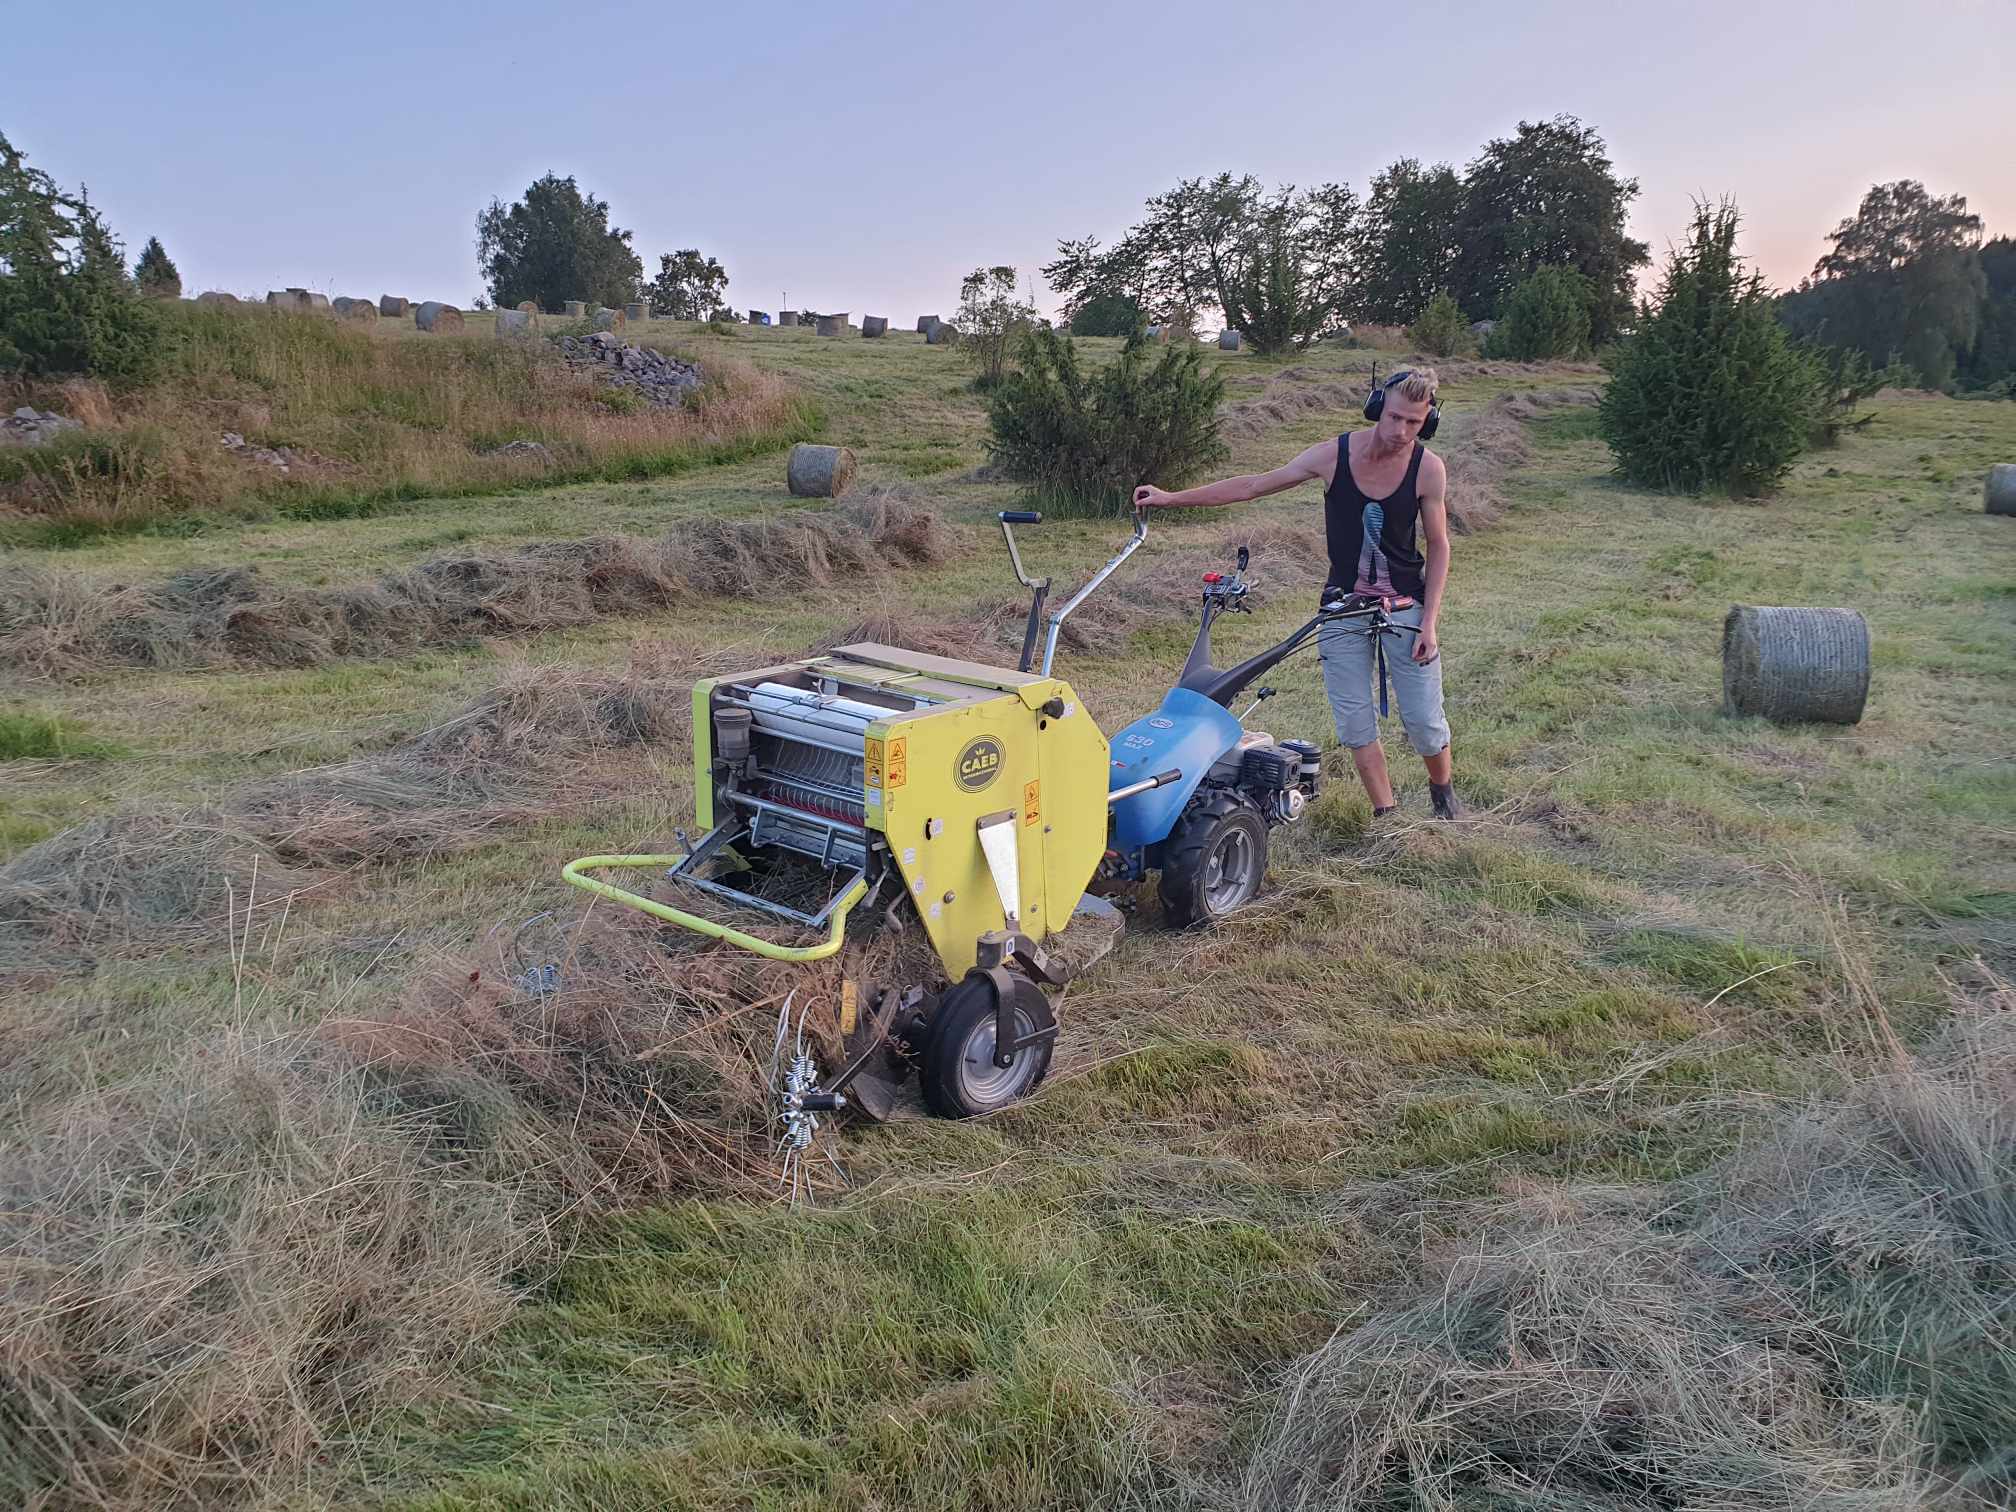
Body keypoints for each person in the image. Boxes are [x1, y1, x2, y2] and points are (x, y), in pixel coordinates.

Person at [1131, 368, 1464, 819]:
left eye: (1414, 422)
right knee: (1355, 722)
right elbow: (1252, 486)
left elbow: (1439, 545)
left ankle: (1443, 796)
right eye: (1395, 417)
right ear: (1376, 408)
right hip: (1342, 609)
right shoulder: (1333, 456)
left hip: (1405, 607)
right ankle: (1388, 817)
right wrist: (1170, 498)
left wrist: (1430, 621)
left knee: (1424, 722)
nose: (1402, 430)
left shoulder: (1428, 469)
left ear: (1428, 422)